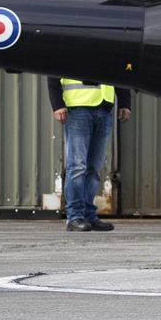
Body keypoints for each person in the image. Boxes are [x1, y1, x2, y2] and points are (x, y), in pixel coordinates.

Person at [50, 78, 132, 232]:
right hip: (77, 108)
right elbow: (53, 73)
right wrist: (58, 105)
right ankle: (74, 217)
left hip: (104, 108)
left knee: (94, 168)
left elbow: (118, 72)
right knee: (78, 166)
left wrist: (125, 102)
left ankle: (89, 216)